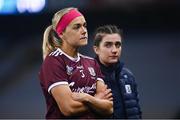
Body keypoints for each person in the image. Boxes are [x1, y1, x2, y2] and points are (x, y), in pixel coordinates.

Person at [38, 7, 113, 119]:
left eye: (84, 25)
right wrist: (97, 100)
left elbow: (109, 108)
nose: (84, 31)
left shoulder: (92, 62)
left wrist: (88, 98)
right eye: (77, 27)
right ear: (61, 33)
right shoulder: (53, 61)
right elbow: (68, 108)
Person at [93, 25, 142, 119]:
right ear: (96, 49)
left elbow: (136, 112)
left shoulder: (127, 76)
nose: (114, 50)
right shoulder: (88, 77)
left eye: (118, 45)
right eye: (108, 45)